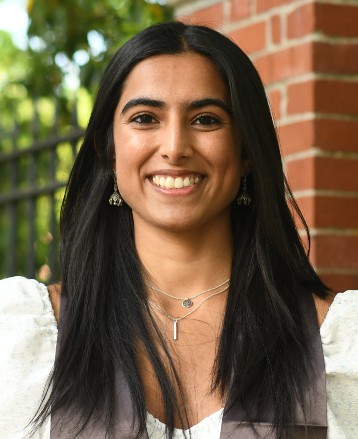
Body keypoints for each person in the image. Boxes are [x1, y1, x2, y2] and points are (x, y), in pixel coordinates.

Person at [0, 21, 357, 439]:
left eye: (206, 119)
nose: (174, 146)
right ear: (108, 150)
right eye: (146, 118)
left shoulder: (340, 344)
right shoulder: (22, 336)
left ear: (245, 151)